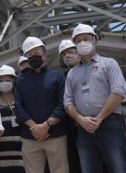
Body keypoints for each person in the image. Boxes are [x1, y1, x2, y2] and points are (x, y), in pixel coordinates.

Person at [63, 24, 126, 173]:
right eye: (78, 40)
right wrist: (81, 119)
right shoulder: (72, 73)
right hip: (84, 129)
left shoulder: (109, 63)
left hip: (110, 124)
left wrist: (99, 118)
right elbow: (68, 101)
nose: (82, 43)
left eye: (86, 38)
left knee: (119, 168)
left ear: (95, 40)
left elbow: (119, 91)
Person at [13, 37, 69, 173]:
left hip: (55, 135)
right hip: (30, 137)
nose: (33, 56)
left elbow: (63, 103)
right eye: (29, 54)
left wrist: (46, 126)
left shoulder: (57, 77)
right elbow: (18, 106)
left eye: (36, 53)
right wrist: (36, 128)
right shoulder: (21, 79)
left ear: (45, 54)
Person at [0, 65, 25, 173]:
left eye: (8, 80)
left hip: (21, 155)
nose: (4, 82)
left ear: (14, 81)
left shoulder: (21, 102)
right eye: (1, 80)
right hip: (0, 154)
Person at [57, 39, 81, 173]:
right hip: (71, 129)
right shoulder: (62, 78)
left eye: (71, 52)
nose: (67, 56)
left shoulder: (92, 70)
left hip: (96, 124)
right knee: (74, 163)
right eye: (64, 54)